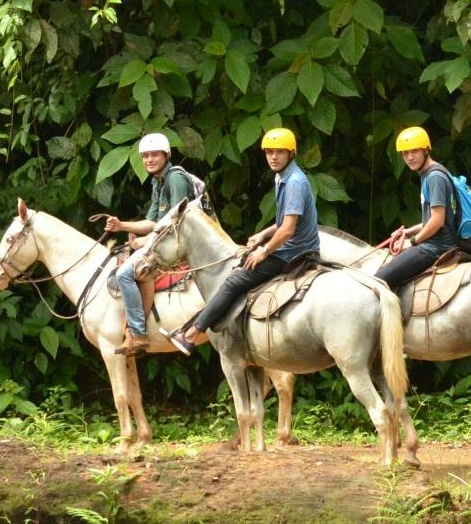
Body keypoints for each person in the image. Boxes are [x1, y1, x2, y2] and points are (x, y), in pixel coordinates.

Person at [164, 127, 319, 356]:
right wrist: (263, 234)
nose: (273, 157)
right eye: (269, 152)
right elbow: (284, 221)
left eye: (279, 152)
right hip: (289, 246)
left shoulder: (294, 182)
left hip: (293, 252)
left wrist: (264, 251)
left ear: (291, 154)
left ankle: (191, 335)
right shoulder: (283, 177)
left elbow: (287, 230)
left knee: (233, 281)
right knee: (240, 263)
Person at [103, 133, 196, 356]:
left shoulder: (175, 179)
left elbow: (177, 222)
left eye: (154, 155)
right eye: (145, 156)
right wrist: (122, 226)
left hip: (182, 243)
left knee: (125, 273)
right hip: (168, 241)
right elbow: (153, 221)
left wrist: (146, 241)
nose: (149, 160)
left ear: (166, 155)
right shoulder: (158, 182)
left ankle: (137, 334)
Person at [375, 125, 460, 308]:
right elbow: (433, 219)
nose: (410, 157)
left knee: (377, 281)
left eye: (414, 151)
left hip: (436, 247)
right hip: (435, 242)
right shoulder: (428, 174)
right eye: (405, 153)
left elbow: (437, 221)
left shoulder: (435, 177)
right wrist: (407, 231)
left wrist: (412, 242)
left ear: (426, 150)